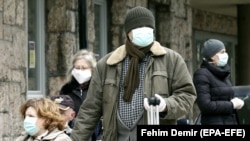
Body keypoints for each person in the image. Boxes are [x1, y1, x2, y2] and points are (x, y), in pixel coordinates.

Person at [70, 6, 196, 141]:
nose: (144, 31)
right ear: (128, 33)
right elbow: (90, 109)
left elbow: (187, 95)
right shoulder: (108, 64)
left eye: (148, 28)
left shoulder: (171, 59)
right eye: (138, 28)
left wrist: (165, 105)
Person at [193, 39, 244, 125]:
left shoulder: (222, 73)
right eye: (222, 52)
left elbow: (224, 98)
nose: (226, 55)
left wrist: (236, 102)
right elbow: (206, 106)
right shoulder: (202, 74)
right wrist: (231, 105)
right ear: (213, 56)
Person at [59, 49, 102, 140]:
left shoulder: (99, 89)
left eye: (84, 68)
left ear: (93, 70)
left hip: (95, 133)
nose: (80, 71)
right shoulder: (67, 89)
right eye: (77, 68)